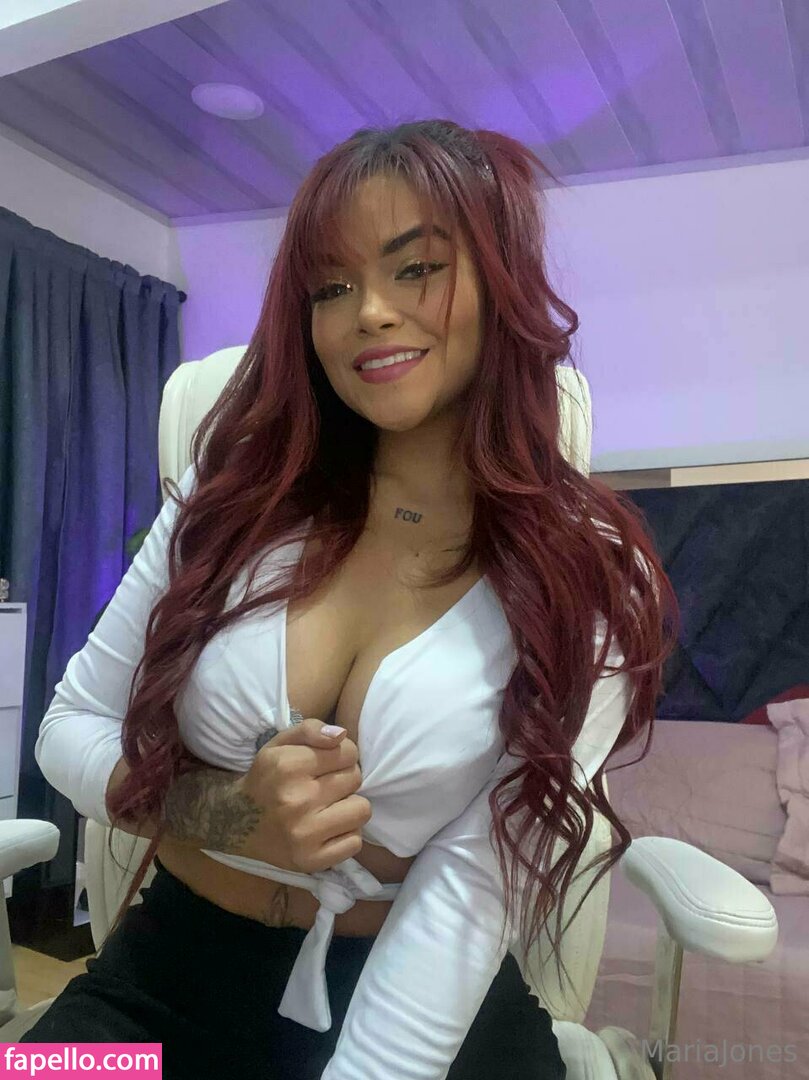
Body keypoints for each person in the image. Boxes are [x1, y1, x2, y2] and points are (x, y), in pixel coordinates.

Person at [24, 119, 677, 1078]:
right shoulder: (229, 499)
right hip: (163, 979)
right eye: (330, 287)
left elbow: (473, 884)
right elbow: (68, 728)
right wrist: (226, 814)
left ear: (501, 281)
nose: (369, 311)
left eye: (416, 269)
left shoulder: (590, 571)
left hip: (435, 1006)